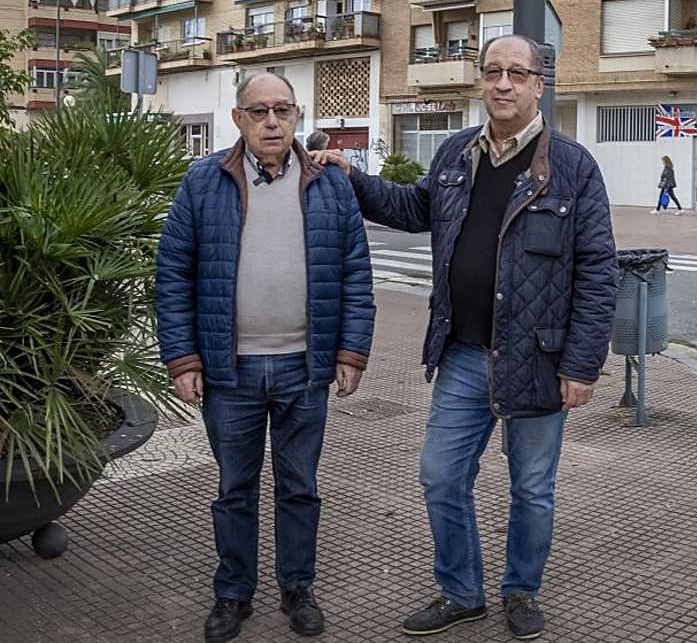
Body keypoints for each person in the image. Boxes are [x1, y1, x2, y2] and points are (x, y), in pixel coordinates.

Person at [314, 34, 618, 640]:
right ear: (482, 81)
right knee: (441, 475)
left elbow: (597, 272)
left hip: (537, 359)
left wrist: (582, 365)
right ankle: (461, 592)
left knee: (532, 488)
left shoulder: (573, 166)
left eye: (516, 73)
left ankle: (521, 590)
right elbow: (413, 209)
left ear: (538, 85)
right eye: (493, 72)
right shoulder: (457, 152)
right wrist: (354, 177)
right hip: (462, 353)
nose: (503, 84)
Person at [156, 71, 375, 643]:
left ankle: (298, 587)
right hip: (231, 370)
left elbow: (355, 274)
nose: (272, 122)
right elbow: (173, 275)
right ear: (239, 119)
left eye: (282, 110)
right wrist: (184, 359)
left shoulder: (330, 185)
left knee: (299, 485)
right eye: (259, 111)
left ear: (297, 115)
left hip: (306, 366)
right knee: (235, 489)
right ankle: (233, 592)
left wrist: (351, 351)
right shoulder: (203, 180)